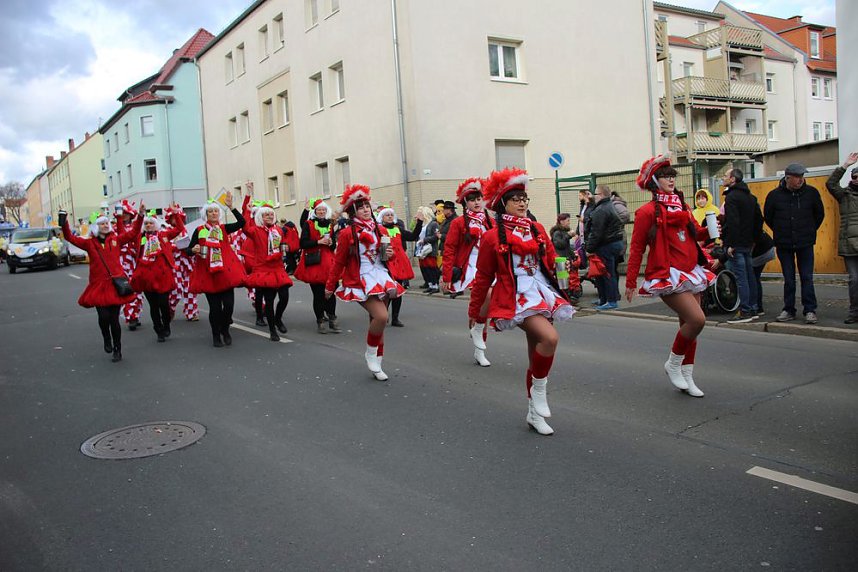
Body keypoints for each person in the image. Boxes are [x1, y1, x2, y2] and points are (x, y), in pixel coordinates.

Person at [469, 168, 574, 436]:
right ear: (503, 203)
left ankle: (533, 414)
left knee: (536, 353)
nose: (522, 203)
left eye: (524, 198)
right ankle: (539, 394)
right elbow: (483, 277)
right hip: (515, 296)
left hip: (542, 292)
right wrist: (475, 312)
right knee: (549, 338)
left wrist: (565, 275)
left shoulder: (536, 228)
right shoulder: (492, 236)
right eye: (515, 199)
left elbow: (551, 260)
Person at [625, 155, 715, 398]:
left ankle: (687, 374)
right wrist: (631, 281)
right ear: (655, 181)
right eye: (665, 176)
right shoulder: (646, 212)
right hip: (667, 274)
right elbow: (637, 248)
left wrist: (714, 228)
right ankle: (673, 363)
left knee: (689, 327)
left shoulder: (682, 206)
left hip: (691, 271)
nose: (671, 180)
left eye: (672, 176)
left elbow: (696, 234)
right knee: (697, 320)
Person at [325, 185, 404, 381]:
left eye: (367, 206)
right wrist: (330, 285)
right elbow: (339, 262)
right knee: (382, 316)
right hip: (360, 279)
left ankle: (378, 362)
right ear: (353, 212)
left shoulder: (380, 229)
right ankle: (370, 353)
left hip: (381, 276)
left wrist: (390, 254)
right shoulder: (347, 233)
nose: (366, 210)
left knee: (377, 322)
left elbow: (389, 257)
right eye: (361, 208)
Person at [59, 205, 144, 362]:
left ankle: (117, 349)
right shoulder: (89, 243)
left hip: (115, 285)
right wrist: (63, 220)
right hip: (98, 286)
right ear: (96, 227)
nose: (105, 225)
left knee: (114, 320)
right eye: (102, 224)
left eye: (106, 223)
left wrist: (140, 215)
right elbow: (70, 237)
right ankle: (106, 337)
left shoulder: (116, 240)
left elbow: (133, 233)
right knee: (104, 317)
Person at [763, 162, 825, 324]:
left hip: (805, 242)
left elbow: (819, 215)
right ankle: (788, 309)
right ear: (788, 178)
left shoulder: (811, 193)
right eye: (797, 177)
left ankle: (810, 310)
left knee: (807, 277)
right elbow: (768, 217)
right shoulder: (774, 196)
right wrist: (780, 231)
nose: (800, 180)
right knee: (789, 278)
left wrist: (809, 230)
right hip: (784, 243)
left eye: (802, 176)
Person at [442, 178, 494, 366]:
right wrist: (447, 276)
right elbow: (449, 249)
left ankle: (479, 347)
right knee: (485, 296)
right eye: (472, 200)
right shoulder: (458, 223)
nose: (477, 202)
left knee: (483, 307)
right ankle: (478, 329)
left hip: (488, 265)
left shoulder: (490, 221)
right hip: (470, 266)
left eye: (479, 198)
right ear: (465, 203)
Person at [187, 192, 247, 347]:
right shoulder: (199, 230)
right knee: (215, 309)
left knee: (228, 306)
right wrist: (193, 249)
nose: (214, 213)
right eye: (210, 211)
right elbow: (188, 250)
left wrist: (231, 207)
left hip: (225, 273)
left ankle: (225, 329)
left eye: (216, 211)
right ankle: (216, 335)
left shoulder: (223, 228)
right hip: (209, 274)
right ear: (205, 215)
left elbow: (242, 222)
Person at [242, 190, 297, 342]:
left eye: (271, 214)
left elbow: (284, 244)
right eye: (266, 215)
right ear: (261, 217)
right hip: (264, 269)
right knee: (269, 300)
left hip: (278, 268)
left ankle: (278, 319)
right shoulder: (256, 231)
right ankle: (272, 330)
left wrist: (285, 247)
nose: (270, 217)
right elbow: (245, 227)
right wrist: (246, 208)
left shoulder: (278, 230)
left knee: (284, 297)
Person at [129, 206, 186, 342]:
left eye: (151, 223)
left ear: (156, 225)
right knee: (153, 306)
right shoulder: (139, 237)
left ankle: (166, 324)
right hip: (146, 277)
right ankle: (158, 329)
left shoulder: (163, 235)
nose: (149, 225)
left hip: (162, 276)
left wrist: (176, 214)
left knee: (164, 304)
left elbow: (179, 228)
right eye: (146, 223)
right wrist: (140, 215)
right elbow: (134, 230)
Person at [721, 168, 764, 323]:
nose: (723, 178)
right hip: (747, 243)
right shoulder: (750, 197)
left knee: (741, 278)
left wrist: (731, 244)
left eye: (726, 175)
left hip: (736, 244)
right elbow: (759, 219)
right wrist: (754, 239)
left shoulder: (732, 197)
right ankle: (753, 307)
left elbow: (733, 222)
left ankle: (744, 311)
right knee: (750, 276)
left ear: (733, 179)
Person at [295, 198, 341, 334]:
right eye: (319, 210)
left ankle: (332, 318)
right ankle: (320, 320)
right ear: (315, 211)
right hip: (315, 263)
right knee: (318, 294)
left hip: (329, 263)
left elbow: (333, 245)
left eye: (323, 210)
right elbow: (303, 243)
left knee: (331, 292)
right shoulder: (308, 224)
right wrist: (318, 242)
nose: (321, 212)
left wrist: (331, 243)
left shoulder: (330, 224)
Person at [378, 204, 423, 327]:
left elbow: (413, 236)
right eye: (387, 215)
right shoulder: (379, 230)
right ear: (382, 218)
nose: (390, 217)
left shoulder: (398, 229)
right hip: (387, 263)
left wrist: (419, 222)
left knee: (398, 290)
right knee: (387, 291)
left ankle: (395, 318)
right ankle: (382, 315)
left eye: (391, 215)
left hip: (399, 263)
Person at [825, 151, 858, 324]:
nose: (857, 179)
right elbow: (830, 183)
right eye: (855, 176)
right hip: (849, 245)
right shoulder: (844, 195)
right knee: (854, 280)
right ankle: (854, 312)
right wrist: (845, 166)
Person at [585, 185, 625, 310]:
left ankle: (611, 301)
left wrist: (589, 249)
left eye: (595, 194)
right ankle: (604, 299)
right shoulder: (608, 206)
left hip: (606, 245)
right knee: (602, 273)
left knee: (607, 273)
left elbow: (596, 232)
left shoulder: (601, 210)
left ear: (601, 195)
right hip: (614, 242)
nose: (594, 196)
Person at [115, 200, 145, 331]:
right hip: (121, 262)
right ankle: (131, 317)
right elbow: (120, 236)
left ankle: (135, 314)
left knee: (137, 290)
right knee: (126, 289)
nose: (124, 216)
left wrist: (141, 214)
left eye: (126, 213)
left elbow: (137, 231)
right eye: (122, 213)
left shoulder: (135, 228)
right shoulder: (114, 229)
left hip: (135, 261)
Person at [167, 205, 199, 322]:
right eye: (174, 217)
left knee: (190, 289)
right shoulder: (166, 231)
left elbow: (193, 245)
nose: (176, 220)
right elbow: (164, 247)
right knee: (177, 290)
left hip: (188, 264)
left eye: (179, 217)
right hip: (174, 266)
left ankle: (191, 312)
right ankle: (170, 307)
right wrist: (176, 246)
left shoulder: (187, 230)